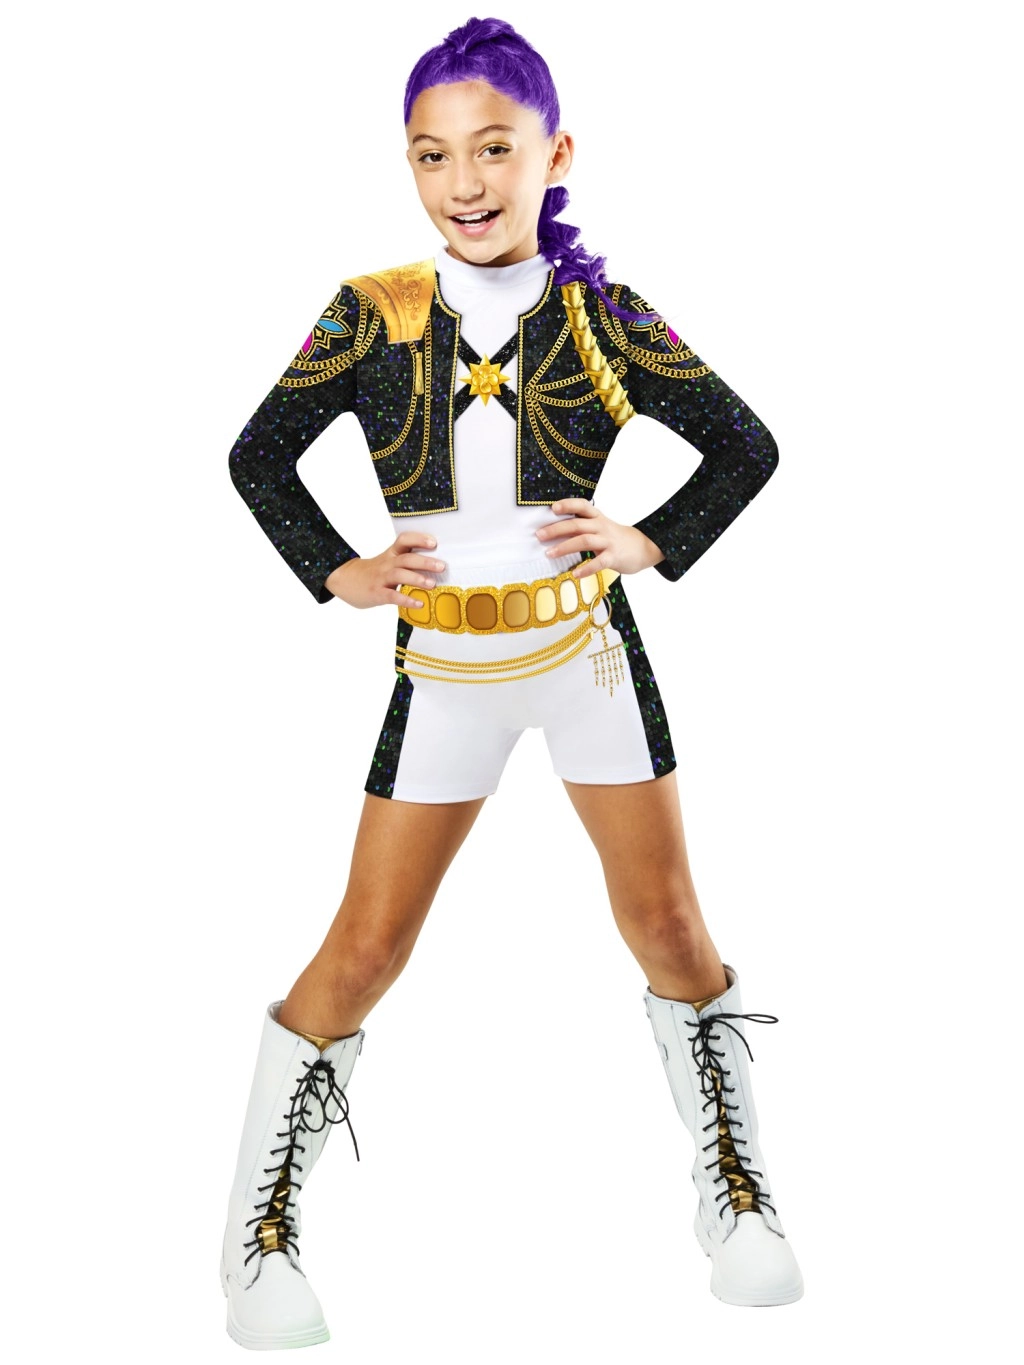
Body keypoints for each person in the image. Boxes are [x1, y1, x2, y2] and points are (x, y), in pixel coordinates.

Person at [220, 15, 803, 1349]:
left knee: (670, 927)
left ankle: (737, 1192)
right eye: (432, 156)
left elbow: (744, 444)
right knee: (366, 947)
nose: (464, 182)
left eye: (494, 149)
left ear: (557, 153)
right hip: (444, 669)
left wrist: (652, 540)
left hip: (588, 657)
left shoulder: (604, 316)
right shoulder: (373, 311)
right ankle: (256, 1235)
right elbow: (258, 456)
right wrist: (338, 569)